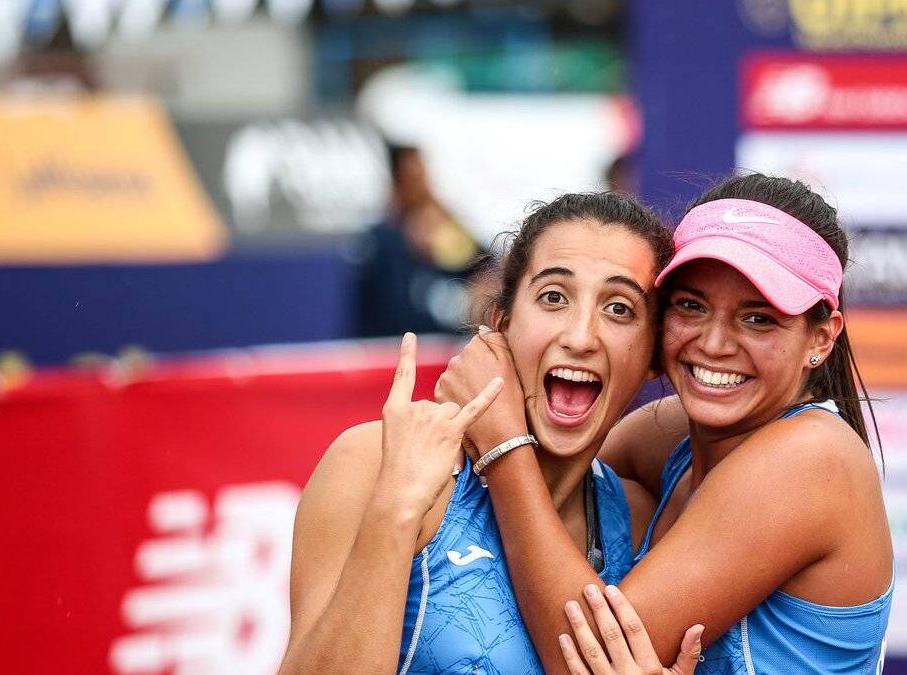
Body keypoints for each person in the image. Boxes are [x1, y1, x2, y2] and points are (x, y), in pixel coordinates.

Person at [437, 173, 894, 672]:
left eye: (758, 318)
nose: (714, 343)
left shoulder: (811, 458)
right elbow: (560, 476)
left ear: (821, 338)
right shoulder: (672, 432)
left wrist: (504, 446)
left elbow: (587, 662)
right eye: (691, 306)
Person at [280, 193, 685, 674]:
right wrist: (396, 511)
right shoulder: (374, 462)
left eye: (619, 308)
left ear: (654, 356)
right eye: (554, 297)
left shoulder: (641, 525)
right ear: (502, 324)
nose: (580, 337)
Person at [354, 144, 484, 337]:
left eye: (423, 175)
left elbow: (485, 266)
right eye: (412, 178)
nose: (420, 186)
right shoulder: (380, 240)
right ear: (397, 182)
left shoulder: (450, 227)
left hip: (445, 342)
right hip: (393, 343)